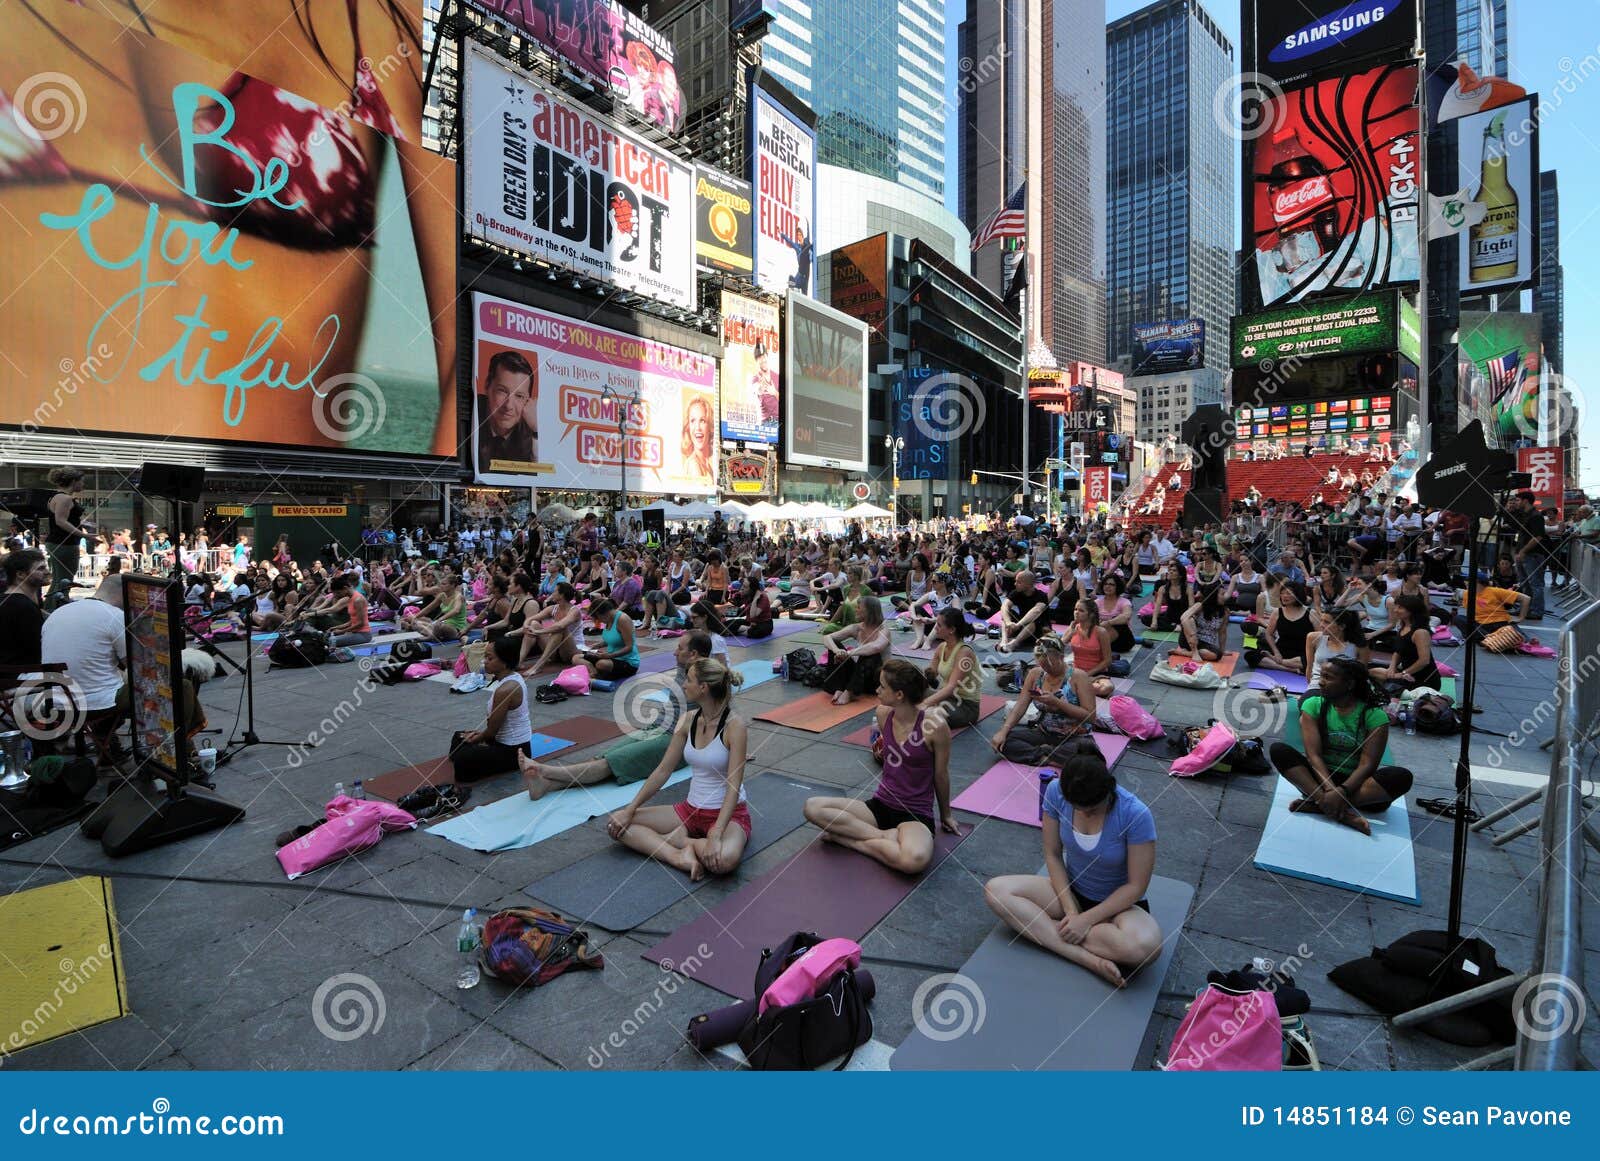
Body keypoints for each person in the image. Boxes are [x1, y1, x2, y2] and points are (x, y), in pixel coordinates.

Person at [984, 753, 1162, 988]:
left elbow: (1136, 887)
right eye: (1078, 808)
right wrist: (1071, 913)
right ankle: (1085, 958)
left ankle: (1047, 930)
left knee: (1146, 948)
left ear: (1108, 791)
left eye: (1092, 809)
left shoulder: (1135, 814)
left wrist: (1087, 920)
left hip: (1119, 908)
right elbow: (1053, 854)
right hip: (1070, 893)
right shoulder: (1056, 791)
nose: (1085, 814)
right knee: (996, 891)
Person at [520, 632, 720, 800]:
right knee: (602, 757)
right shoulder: (686, 666)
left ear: (693, 654)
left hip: (675, 740)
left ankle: (545, 771)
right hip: (656, 728)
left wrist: (726, 746)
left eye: (680, 648)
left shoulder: (708, 680)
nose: (675, 652)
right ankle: (546, 785)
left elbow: (722, 713)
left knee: (611, 762)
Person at [802, 660, 959, 874]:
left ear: (899, 695)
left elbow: (941, 776)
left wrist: (946, 815)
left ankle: (850, 841)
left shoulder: (935, 727)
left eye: (882, 686)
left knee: (914, 860)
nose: (876, 689)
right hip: (879, 806)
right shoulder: (883, 713)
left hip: (914, 814)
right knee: (813, 807)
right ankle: (884, 837)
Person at [606, 658, 751, 881]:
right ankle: (678, 855)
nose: (683, 685)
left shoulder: (735, 726)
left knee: (724, 861)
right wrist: (630, 808)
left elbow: (733, 784)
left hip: (728, 815)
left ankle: (681, 840)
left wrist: (716, 832)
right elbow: (663, 770)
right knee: (617, 823)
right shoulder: (688, 720)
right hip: (690, 810)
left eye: (688, 680)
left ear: (703, 688)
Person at [1269, 658, 1413, 836]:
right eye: (1322, 676)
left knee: (1401, 777)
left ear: (1349, 684)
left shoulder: (1374, 716)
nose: (1321, 681)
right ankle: (1337, 810)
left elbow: (1368, 764)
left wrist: (1342, 791)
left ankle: (1320, 805)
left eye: (1328, 677)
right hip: (1321, 779)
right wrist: (1330, 790)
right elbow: (1314, 755)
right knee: (1278, 750)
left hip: (1358, 785)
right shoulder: (1313, 705)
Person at [40, 573, 128, 769]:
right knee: (158, 687)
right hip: (96, 704)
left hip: (56, 703)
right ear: (123, 594)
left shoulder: (57, 614)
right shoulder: (114, 616)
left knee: (110, 680)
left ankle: (106, 742)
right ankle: (174, 756)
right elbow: (135, 664)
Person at [990, 637, 1104, 765]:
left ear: (1061, 657)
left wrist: (1057, 703)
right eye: (1042, 664)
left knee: (1087, 754)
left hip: (1074, 738)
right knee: (1005, 740)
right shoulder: (1035, 674)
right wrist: (1004, 731)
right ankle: (1049, 757)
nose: (1046, 669)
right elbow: (1020, 706)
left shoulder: (1079, 677)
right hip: (1044, 733)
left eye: (1049, 664)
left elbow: (1090, 717)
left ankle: (1043, 755)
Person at [447, 638, 533, 782]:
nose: (484, 661)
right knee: (459, 737)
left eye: (490, 658)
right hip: (502, 742)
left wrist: (475, 738)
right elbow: (492, 730)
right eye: (485, 657)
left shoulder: (506, 689)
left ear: (504, 662)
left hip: (514, 752)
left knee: (463, 758)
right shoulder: (512, 678)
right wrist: (475, 736)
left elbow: (492, 731)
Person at [820, 594, 892, 706]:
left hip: (876, 679)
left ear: (869, 611)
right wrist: (837, 651)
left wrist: (848, 653)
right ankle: (839, 688)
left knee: (870, 654)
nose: (855, 610)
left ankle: (849, 692)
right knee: (836, 645)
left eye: (858, 608)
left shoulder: (883, 630)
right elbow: (827, 638)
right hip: (859, 675)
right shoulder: (856, 628)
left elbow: (876, 647)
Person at [921, 608, 983, 730]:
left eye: (939, 625)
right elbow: (931, 675)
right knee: (908, 694)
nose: (935, 628)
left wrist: (924, 703)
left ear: (951, 629)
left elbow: (950, 688)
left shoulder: (964, 652)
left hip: (965, 706)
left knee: (930, 714)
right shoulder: (941, 647)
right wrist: (917, 676)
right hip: (945, 698)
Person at [476, 350, 538, 468]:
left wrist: (536, 431)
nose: (508, 405)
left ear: (528, 401)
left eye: (519, 396)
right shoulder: (471, 415)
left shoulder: (533, 429)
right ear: (487, 386)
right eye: (502, 391)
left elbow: (544, 476)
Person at [44, 467, 91, 609]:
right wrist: (84, 535)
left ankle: (49, 609)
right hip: (65, 545)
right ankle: (56, 611)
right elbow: (61, 521)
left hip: (58, 543)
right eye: (81, 481)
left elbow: (60, 520)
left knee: (58, 581)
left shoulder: (55, 497)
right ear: (73, 481)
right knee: (64, 582)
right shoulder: (65, 498)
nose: (83, 485)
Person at [1375, 594, 1440, 692]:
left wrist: (1402, 673)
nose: (1395, 610)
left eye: (1400, 608)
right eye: (1396, 606)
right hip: (1407, 674)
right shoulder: (1403, 627)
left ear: (1412, 611)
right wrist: (1391, 668)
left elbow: (1424, 661)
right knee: (1371, 671)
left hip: (1423, 680)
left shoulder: (1420, 632)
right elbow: (1398, 651)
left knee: (1375, 674)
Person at [1246, 579, 1312, 673]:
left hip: (1302, 653)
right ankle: (1290, 668)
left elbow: (1319, 637)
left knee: (1310, 662)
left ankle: (1279, 662)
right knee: (1251, 656)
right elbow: (1268, 634)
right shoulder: (1277, 612)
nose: (1285, 596)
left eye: (1289, 593)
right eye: (1282, 593)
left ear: (1298, 595)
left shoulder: (1310, 613)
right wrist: (1276, 652)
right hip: (1282, 650)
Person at [520, 582, 584, 673]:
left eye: (554, 591)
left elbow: (560, 626)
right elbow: (531, 618)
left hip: (572, 650)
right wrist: (526, 626)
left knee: (559, 629)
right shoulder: (553, 608)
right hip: (555, 650)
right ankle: (520, 661)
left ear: (561, 595)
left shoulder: (574, 611)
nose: (552, 594)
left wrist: (538, 632)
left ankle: (538, 666)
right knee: (534, 624)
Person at [0, 549, 49, 668]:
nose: (47, 572)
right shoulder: (23, 607)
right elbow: (39, 649)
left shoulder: (10, 601)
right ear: (20, 574)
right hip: (20, 676)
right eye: (40, 569)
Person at [1304, 609, 1371, 686]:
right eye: (1321, 620)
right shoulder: (1313, 638)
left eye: (1326, 622)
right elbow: (1309, 667)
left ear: (1342, 626)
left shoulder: (1359, 645)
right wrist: (1310, 688)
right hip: (1318, 683)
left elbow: (1362, 674)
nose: (1321, 625)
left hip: (1346, 687)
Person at [579, 597, 640, 680]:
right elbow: (613, 639)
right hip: (610, 657)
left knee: (602, 664)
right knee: (577, 657)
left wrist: (609, 655)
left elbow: (629, 647)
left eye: (598, 619)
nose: (599, 621)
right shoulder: (608, 619)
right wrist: (597, 645)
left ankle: (595, 672)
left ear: (602, 614)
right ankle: (594, 672)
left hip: (627, 662)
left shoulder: (622, 619)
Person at [402, 573, 468, 642]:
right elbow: (428, 608)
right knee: (416, 620)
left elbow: (456, 610)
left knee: (439, 626)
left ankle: (430, 636)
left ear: (452, 585)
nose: (441, 586)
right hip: (444, 623)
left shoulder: (458, 596)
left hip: (456, 628)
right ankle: (432, 634)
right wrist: (415, 617)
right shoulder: (442, 595)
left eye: (444, 584)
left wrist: (440, 619)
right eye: (441, 584)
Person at [1175, 584, 1229, 664]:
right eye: (1222, 594)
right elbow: (1184, 618)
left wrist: (1222, 650)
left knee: (1216, 655)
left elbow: (1222, 632)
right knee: (1189, 620)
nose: (1224, 597)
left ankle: (1183, 652)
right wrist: (1193, 637)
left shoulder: (1225, 612)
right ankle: (1194, 652)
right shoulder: (1200, 605)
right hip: (1189, 639)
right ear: (1213, 596)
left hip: (1206, 644)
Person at [998, 570, 1048, 653]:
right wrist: (1008, 622)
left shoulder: (1041, 595)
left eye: (1018, 582)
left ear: (1028, 584)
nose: (1015, 584)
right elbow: (1004, 606)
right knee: (1006, 614)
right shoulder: (1016, 592)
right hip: (1021, 627)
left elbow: (1036, 611)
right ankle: (1004, 640)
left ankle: (1014, 644)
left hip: (1038, 630)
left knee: (1033, 621)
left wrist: (1018, 624)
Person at [322, 574, 371, 646]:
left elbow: (360, 623)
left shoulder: (358, 600)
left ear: (345, 588)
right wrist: (335, 628)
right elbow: (352, 621)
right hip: (354, 632)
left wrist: (342, 631)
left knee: (330, 641)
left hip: (363, 635)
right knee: (324, 638)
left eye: (338, 593)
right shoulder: (350, 598)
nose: (337, 595)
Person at [681, 395, 715, 480]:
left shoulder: (707, 465)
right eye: (692, 421)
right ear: (688, 427)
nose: (697, 427)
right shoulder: (693, 463)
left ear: (710, 426)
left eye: (702, 420)